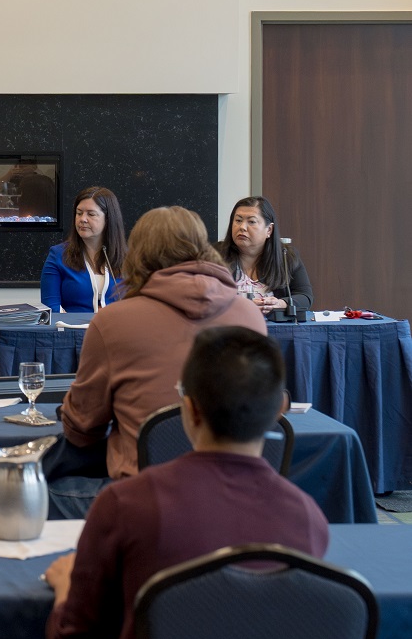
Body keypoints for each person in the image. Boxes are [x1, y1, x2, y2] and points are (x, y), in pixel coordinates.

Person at [0, 326, 330, 639]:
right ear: (278, 411)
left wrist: (68, 587)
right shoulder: (309, 518)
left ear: (188, 409)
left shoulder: (126, 504)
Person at [50, 206, 266, 501]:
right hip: (237, 496)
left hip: (143, 499)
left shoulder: (112, 321)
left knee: (14, 491)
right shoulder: (250, 315)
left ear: (138, 254)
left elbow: (82, 429)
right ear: (201, 247)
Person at [218, 195, 314, 313]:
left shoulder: (285, 256)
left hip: (274, 329)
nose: (242, 227)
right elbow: (203, 297)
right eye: (238, 220)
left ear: (269, 230)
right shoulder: (215, 254)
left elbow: (305, 297)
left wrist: (280, 303)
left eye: (251, 222)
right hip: (228, 328)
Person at [39, 186, 127, 313]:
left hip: (115, 330)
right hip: (73, 330)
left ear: (108, 219)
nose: (82, 219)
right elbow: (50, 308)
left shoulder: (129, 259)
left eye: (91, 214)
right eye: (79, 213)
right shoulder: (58, 255)